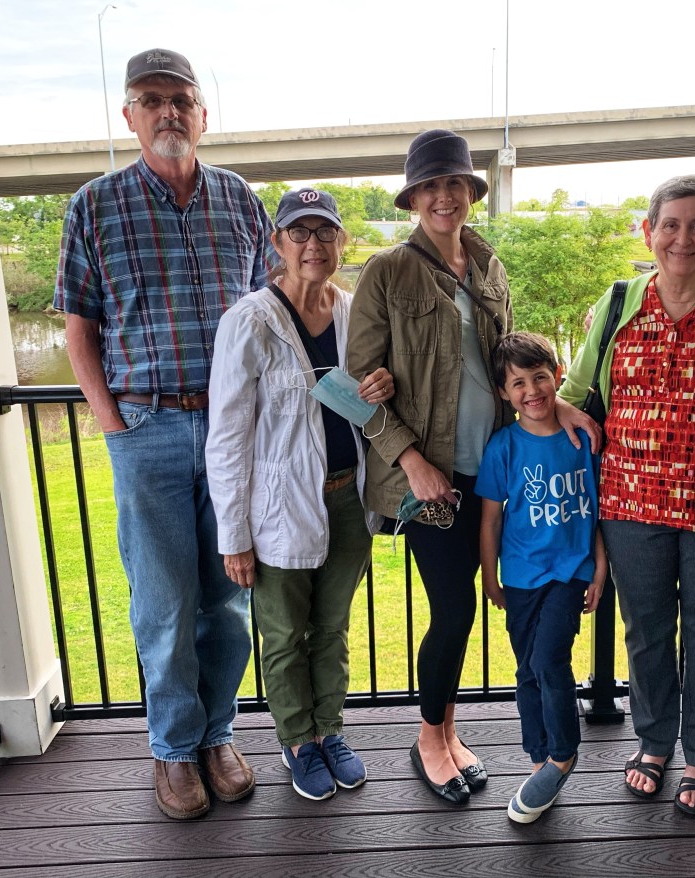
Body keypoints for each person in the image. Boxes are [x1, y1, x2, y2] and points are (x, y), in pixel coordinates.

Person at [54, 47, 273, 820]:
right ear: (129, 115)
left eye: (181, 98)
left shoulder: (240, 200)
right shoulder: (94, 206)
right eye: (151, 100)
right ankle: (174, 749)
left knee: (229, 598)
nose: (168, 111)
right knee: (164, 602)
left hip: (232, 431)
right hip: (144, 426)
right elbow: (79, 329)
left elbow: (271, 312)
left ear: (203, 113)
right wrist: (112, 422)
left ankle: (217, 735)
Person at [348, 129, 593, 803]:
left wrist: (556, 403)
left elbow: (510, 361)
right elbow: (354, 387)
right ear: (412, 199)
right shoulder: (386, 271)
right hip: (429, 479)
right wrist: (411, 462)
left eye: (453, 183)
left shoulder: (488, 265)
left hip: (488, 470)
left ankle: (450, 734)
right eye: (429, 186)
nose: (443, 197)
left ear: (470, 192)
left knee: (465, 611)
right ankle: (430, 740)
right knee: (454, 610)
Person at [560, 175, 695, 816]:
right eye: (671, 225)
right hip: (631, 503)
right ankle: (653, 743)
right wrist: (564, 414)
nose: (684, 238)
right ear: (648, 232)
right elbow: (574, 392)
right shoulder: (618, 302)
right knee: (647, 631)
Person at [206, 189, 393, 801]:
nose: (314, 244)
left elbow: (370, 400)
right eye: (299, 232)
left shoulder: (354, 312)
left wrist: (383, 384)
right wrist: (234, 536)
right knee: (285, 632)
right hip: (279, 506)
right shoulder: (250, 321)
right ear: (278, 243)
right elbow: (227, 437)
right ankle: (297, 739)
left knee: (332, 627)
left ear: (342, 241)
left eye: (325, 231)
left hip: (348, 499)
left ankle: (329, 729)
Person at [477, 332, 607, 824]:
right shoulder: (503, 448)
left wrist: (600, 566)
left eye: (539, 377)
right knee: (526, 669)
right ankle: (539, 757)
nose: (531, 390)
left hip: (569, 571)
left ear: (557, 376)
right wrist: (490, 578)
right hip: (520, 576)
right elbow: (491, 520)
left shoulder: (582, 440)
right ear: (503, 392)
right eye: (518, 383)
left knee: (550, 658)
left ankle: (564, 754)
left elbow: (597, 508)